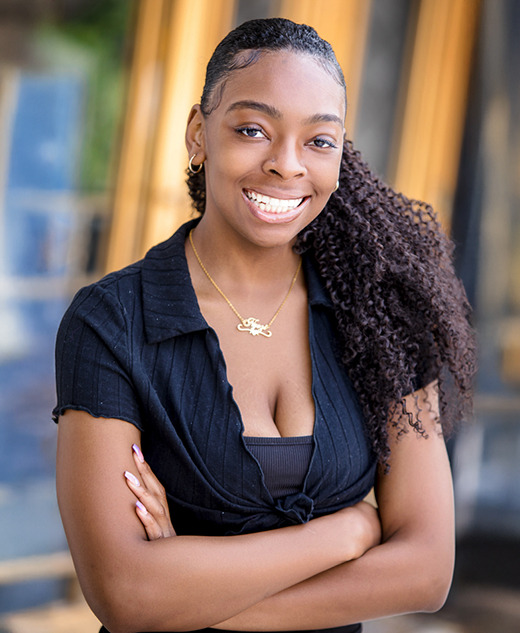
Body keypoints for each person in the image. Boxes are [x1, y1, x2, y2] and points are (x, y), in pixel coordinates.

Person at [53, 17, 476, 633]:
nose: (286, 164)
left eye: (319, 140)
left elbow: (426, 571)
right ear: (200, 133)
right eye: (253, 130)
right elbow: (124, 591)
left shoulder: (382, 312)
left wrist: (189, 597)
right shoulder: (113, 322)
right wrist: (350, 530)